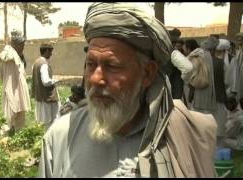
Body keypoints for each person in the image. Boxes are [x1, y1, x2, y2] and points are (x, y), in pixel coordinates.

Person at [38, 3, 217, 178]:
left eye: (112, 66)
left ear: (147, 73)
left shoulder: (185, 137)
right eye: (91, 64)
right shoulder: (60, 137)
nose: (95, 79)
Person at [0, 29, 31, 134]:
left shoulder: (19, 55)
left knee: (20, 110)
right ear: (16, 45)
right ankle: (9, 131)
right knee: (12, 109)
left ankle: (18, 132)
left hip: (19, 87)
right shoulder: (8, 55)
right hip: (11, 86)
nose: (23, 48)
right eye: (21, 45)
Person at [31, 43, 60, 129]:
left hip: (40, 96)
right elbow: (46, 82)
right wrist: (55, 80)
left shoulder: (36, 62)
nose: (51, 54)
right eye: (50, 51)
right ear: (46, 51)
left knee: (43, 121)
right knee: (50, 122)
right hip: (47, 97)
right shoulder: (44, 64)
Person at [164, 28, 193, 100]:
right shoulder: (173, 52)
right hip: (174, 90)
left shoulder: (163, 51)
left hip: (169, 89)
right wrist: (183, 79)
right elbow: (188, 68)